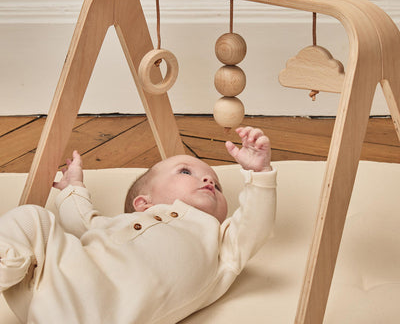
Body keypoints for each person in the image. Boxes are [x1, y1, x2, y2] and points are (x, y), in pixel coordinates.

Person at [0, 126, 277, 324]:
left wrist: (259, 174)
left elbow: (254, 224)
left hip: (102, 312)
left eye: (217, 185)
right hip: (54, 276)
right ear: (144, 203)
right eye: (185, 171)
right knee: (32, 217)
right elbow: (80, 220)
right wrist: (73, 187)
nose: (208, 181)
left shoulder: (221, 244)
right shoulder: (111, 225)